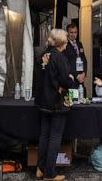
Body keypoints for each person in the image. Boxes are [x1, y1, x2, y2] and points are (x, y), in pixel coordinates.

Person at [34, 29, 75, 181]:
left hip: (42, 102)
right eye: (65, 40)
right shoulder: (60, 58)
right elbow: (66, 81)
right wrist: (70, 79)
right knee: (55, 137)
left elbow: (40, 77)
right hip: (56, 103)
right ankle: (50, 174)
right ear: (61, 43)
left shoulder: (42, 55)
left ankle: (40, 168)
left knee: (44, 135)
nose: (66, 43)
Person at [64, 23, 87, 90]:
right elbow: (66, 62)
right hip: (72, 77)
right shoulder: (65, 45)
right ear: (67, 33)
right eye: (71, 32)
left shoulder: (79, 44)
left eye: (75, 32)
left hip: (81, 76)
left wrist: (84, 73)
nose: (73, 34)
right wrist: (76, 75)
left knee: (81, 95)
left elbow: (84, 59)